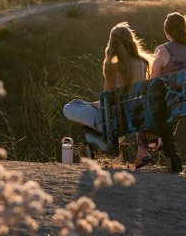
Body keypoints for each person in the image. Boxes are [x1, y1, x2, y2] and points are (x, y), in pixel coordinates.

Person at [63, 22, 153, 163]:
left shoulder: (112, 66)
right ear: (132, 41)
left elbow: (107, 103)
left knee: (69, 107)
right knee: (79, 103)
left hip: (112, 122)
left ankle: (99, 140)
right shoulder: (143, 63)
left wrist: (96, 105)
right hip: (132, 120)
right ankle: (99, 138)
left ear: (111, 44)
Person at [136, 12, 186, 166]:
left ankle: (143, 153)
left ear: (166, 31)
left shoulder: (162, 51)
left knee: (150, 102)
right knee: (172, 101)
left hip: (171, 104)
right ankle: (160, 140)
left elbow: (153, 85)